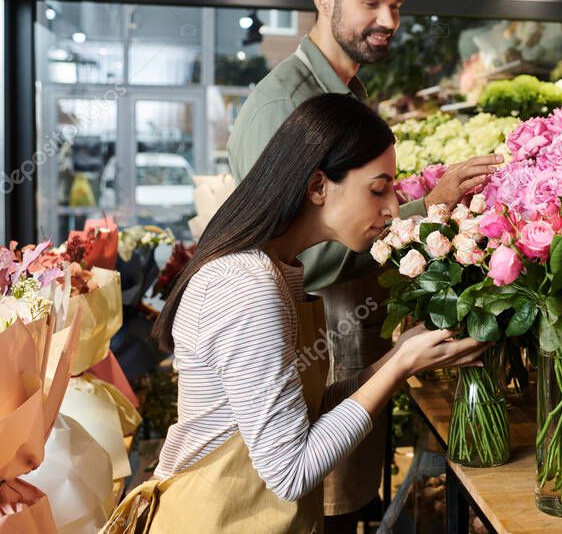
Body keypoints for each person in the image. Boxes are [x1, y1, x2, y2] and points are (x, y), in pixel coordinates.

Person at [103, 94, 488, 534]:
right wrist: (399, 367)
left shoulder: (281, 268)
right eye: (378, 189)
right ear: (318, 185)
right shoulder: (246, 287)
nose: (393, 209)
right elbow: (291, 471)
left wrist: (397, 354)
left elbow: (302, 414)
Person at [227, 0, 499, 528]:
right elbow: (291, 253)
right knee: (320, 509)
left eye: (397, 7)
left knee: (347, 505)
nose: (390, 20)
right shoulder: (285, 107)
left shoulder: (348, 88)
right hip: (315, 338)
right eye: (371, 3)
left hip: (355, 340)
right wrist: (421, 210)